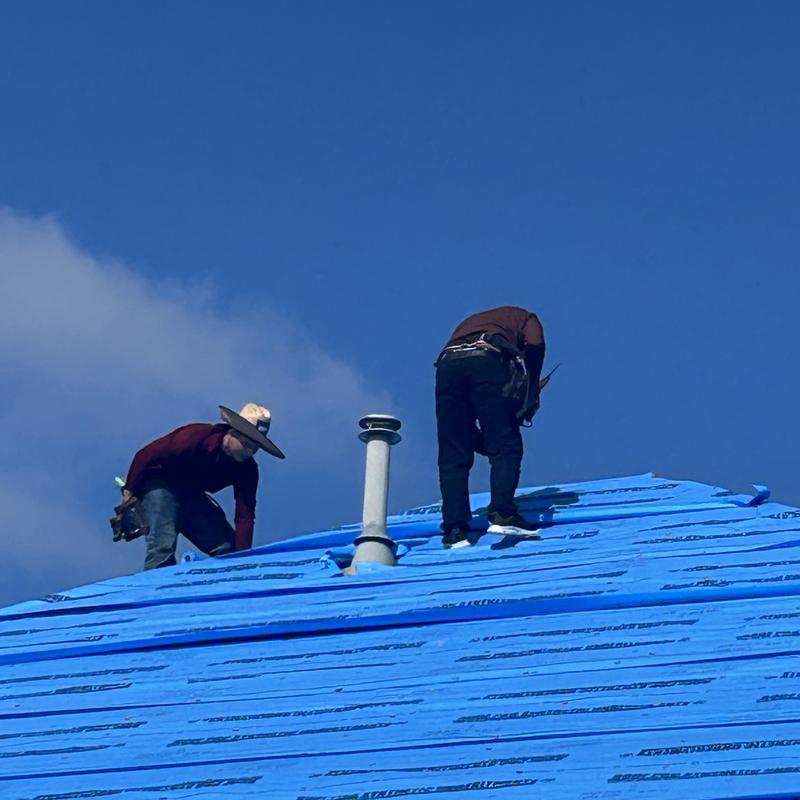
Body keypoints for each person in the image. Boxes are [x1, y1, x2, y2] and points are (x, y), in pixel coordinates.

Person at [123, 403, 285, 569]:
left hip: (192, 494)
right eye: (246, 445)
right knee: (162, 548)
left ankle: (231, 577)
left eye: (255, 449)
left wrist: (242, 560)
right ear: (234, 433)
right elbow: (145, 455)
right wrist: (128, 493)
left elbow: (245, 516)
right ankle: (157, 581)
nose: (249, 452)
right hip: (160, 483)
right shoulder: (195, 437)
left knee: (228, 548)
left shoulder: (247, 470)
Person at [435, 306, 545, 548]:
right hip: (486, 359)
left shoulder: (473, 322)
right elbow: (535, 344)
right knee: (506, 445)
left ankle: (455, 530)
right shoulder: (527, 317)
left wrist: (484, 443)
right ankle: (503, 514)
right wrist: (531, 387)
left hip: (447, 366)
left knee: (453, 451)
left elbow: (467, 431)